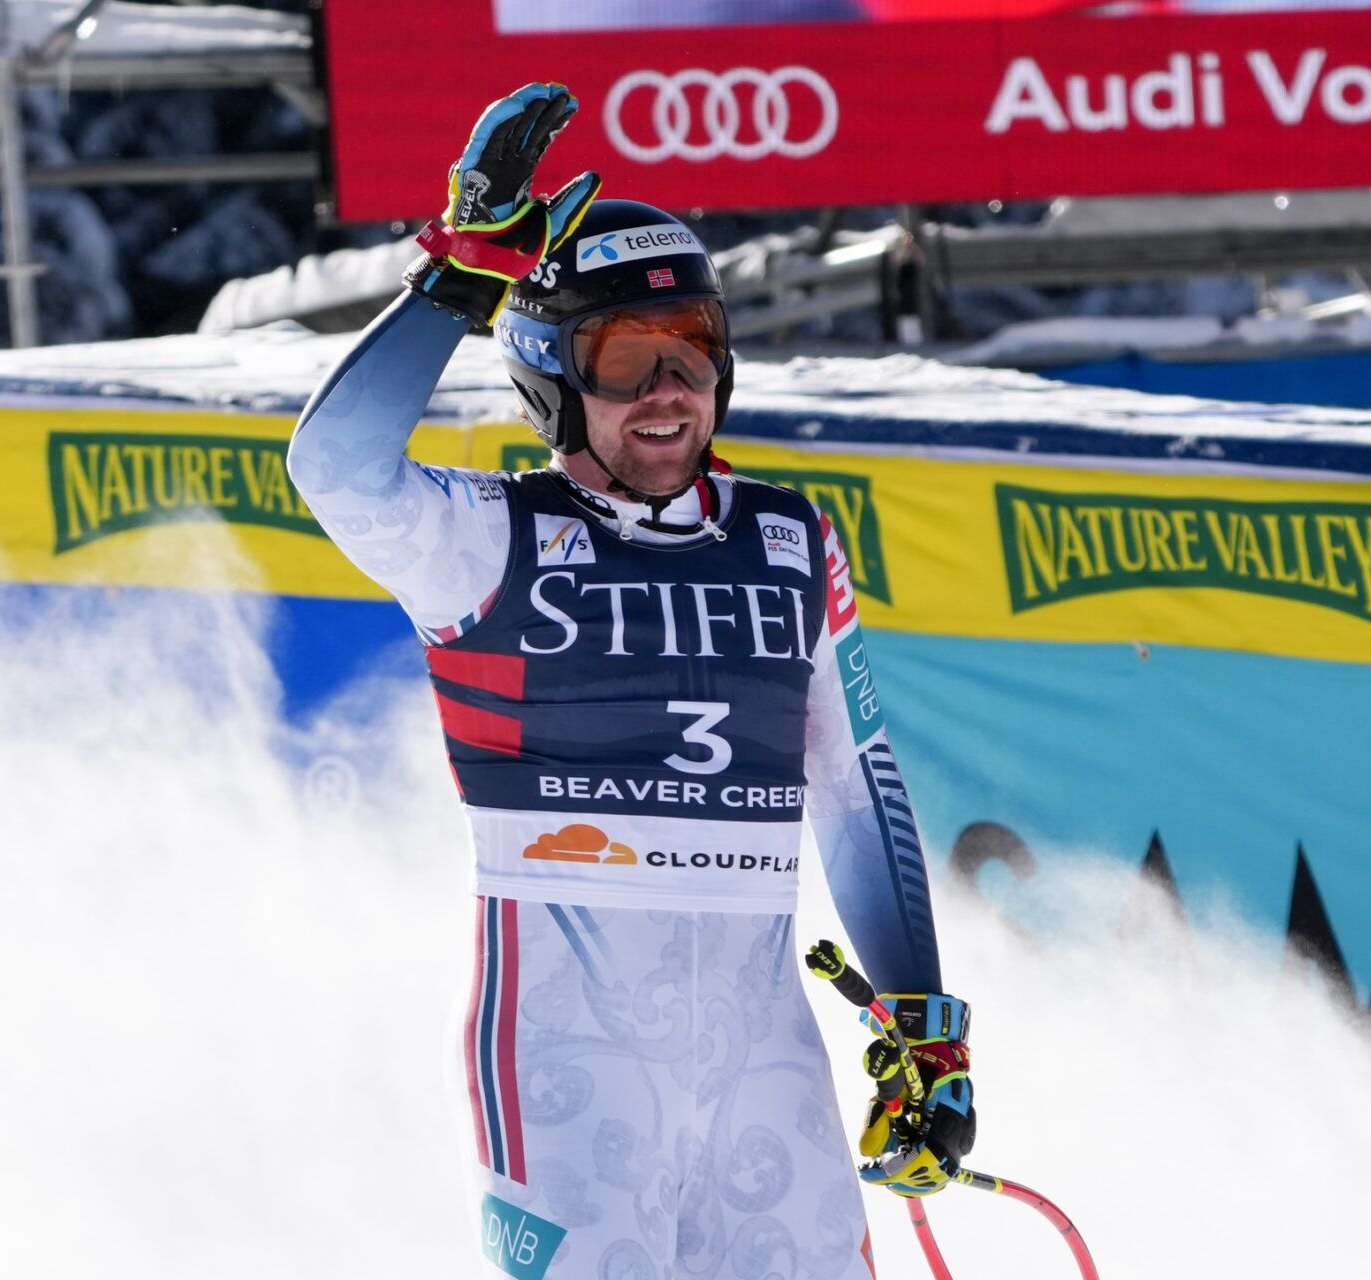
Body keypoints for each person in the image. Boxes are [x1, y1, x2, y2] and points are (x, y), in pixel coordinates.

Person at [288, 83, 975, 1279]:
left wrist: (922, 1023)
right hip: (570, 1065)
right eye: (626, 358)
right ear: (553, 376)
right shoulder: (482, 538)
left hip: (764, 1057)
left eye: (694, 352)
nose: (669, 389)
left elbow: (856, 787)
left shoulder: (789, 540)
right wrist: (462, 270)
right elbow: (336, 465)